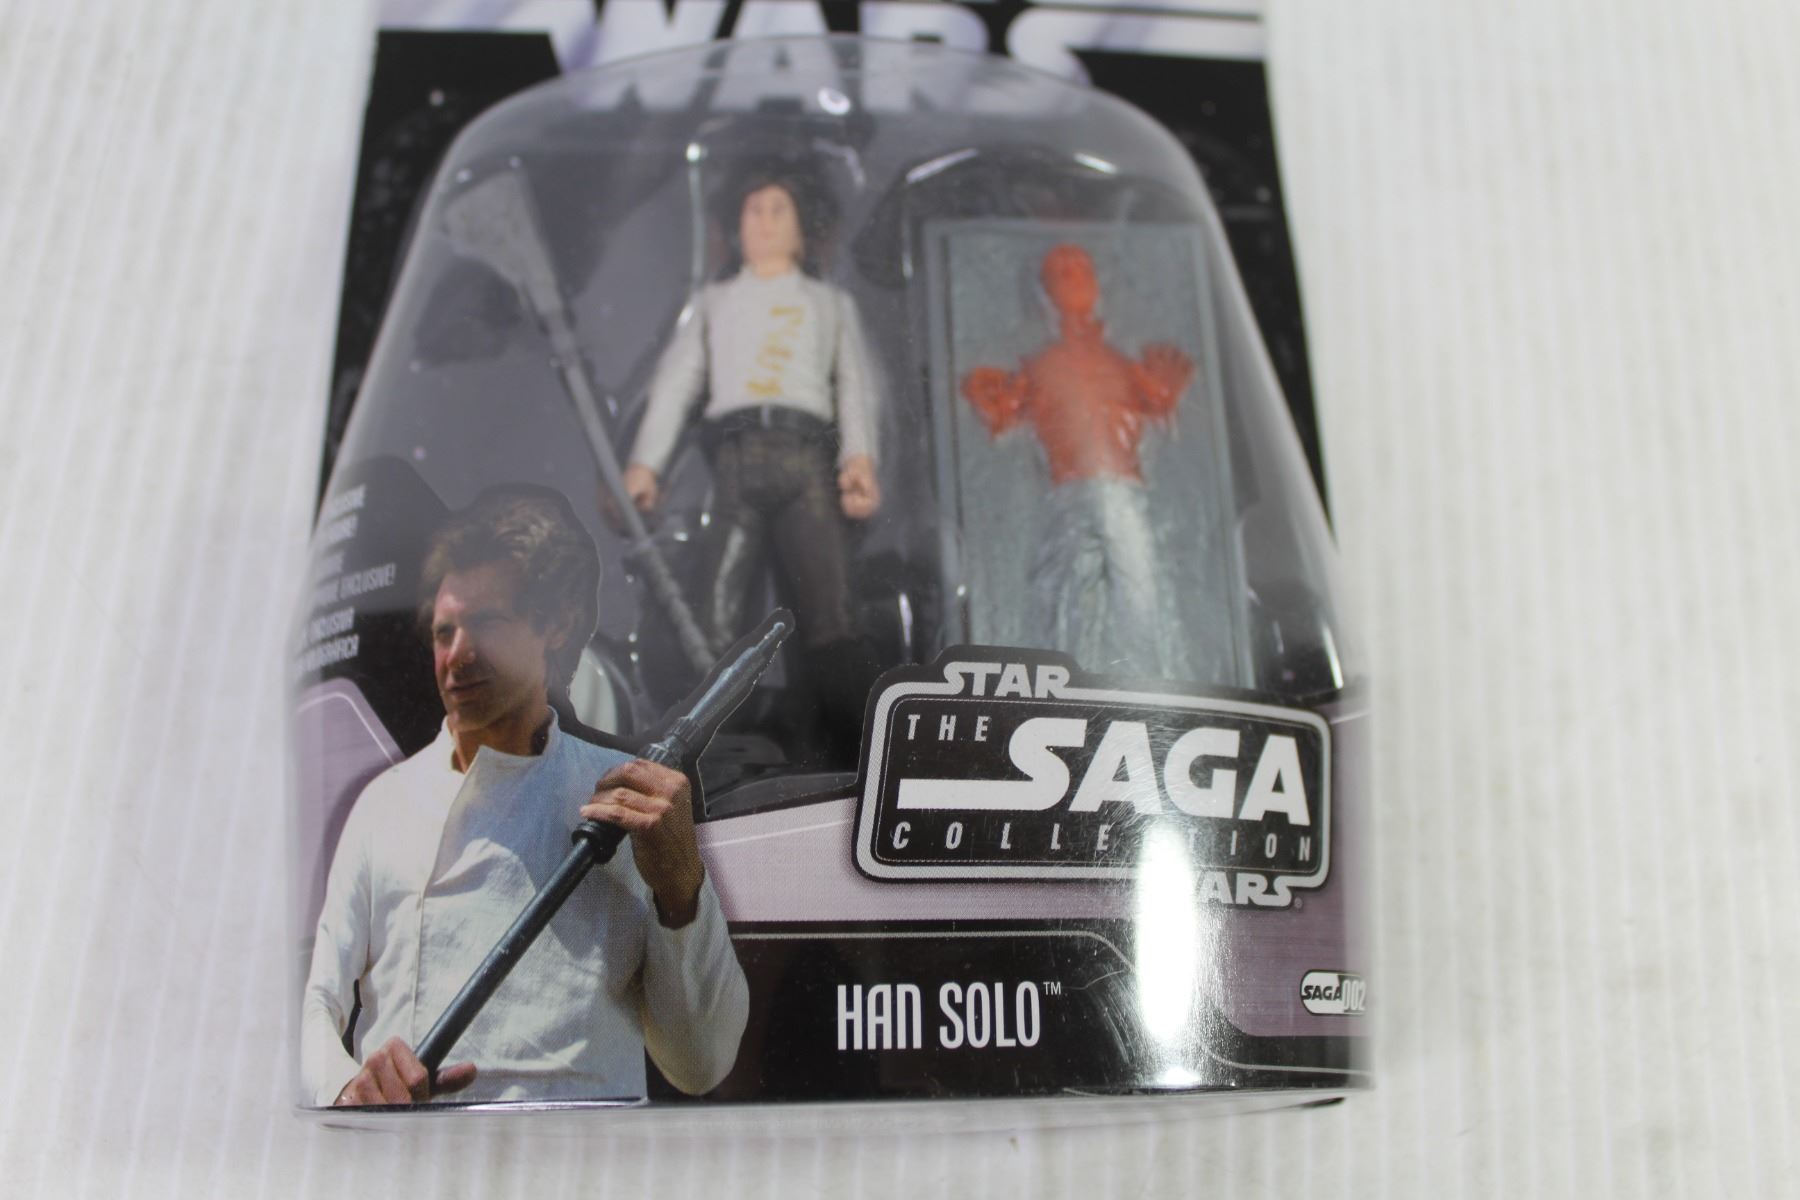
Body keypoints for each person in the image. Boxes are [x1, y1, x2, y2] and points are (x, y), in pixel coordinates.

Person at [300, 487, 748, 1106]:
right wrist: (347, 1085)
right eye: (444, 632)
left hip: (583, 1154)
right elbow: (319, 999)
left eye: (487, 623)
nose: (458, 656)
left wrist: (680, 887)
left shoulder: (629, 800)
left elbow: (701, 1064)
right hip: (408, 1155)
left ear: (555, 625)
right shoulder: (385, 804)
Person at [622, 163, 880, 671]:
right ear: (736, 229)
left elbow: (856, 387)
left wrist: (860, 458)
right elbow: (675, 386)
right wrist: (646, 464)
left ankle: (844, 704)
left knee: (832, 610)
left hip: (806, 461)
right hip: (735, 463)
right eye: (754, 211)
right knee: (714, 615)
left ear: (801, 229)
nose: (765, 222)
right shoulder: (713, 303)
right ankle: (712, 703)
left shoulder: (829, 303)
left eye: (778, 211)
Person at [960, 243, 1195, 676]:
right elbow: (1003, 411)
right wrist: (985, 398)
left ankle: (1141, 682)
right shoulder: (1039, 365)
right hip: (1068, 490)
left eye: (1080, 266)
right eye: (1060, 269)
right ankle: (1058, 676)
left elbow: (1160, 403)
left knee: (1135, 590)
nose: (1071, 272)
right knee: (1060, 586)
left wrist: (1166, 397)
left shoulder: (1120, 363)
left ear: (1096, 284)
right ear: (1044, 290)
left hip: (1123, 488)